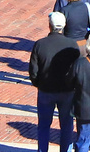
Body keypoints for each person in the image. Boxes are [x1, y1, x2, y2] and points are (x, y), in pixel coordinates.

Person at [29, 11, 78, 152]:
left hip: (46, 90)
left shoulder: (40, 44)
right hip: (67, 91)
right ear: (64, 26)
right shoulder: (72, 45)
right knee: (67, 125)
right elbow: (76, 69)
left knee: (43, 125)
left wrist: (39, 83)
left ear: (49, 26)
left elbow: (33, 71)